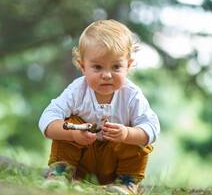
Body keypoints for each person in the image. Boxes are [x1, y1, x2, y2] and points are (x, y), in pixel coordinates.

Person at [38, 19, 160, 194]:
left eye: (116, 66)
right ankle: (61, 173)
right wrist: (73, 133)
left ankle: (126, 182)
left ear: (128, 66)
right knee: (69, 120)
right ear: (82, 66)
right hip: (80, 163)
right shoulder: (77, 91)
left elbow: (153, 128)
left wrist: (127, 134)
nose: (107, 75)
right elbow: (47, 119)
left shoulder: (132, 95)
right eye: (97, 67)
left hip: (117, 166)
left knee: (138, 133)